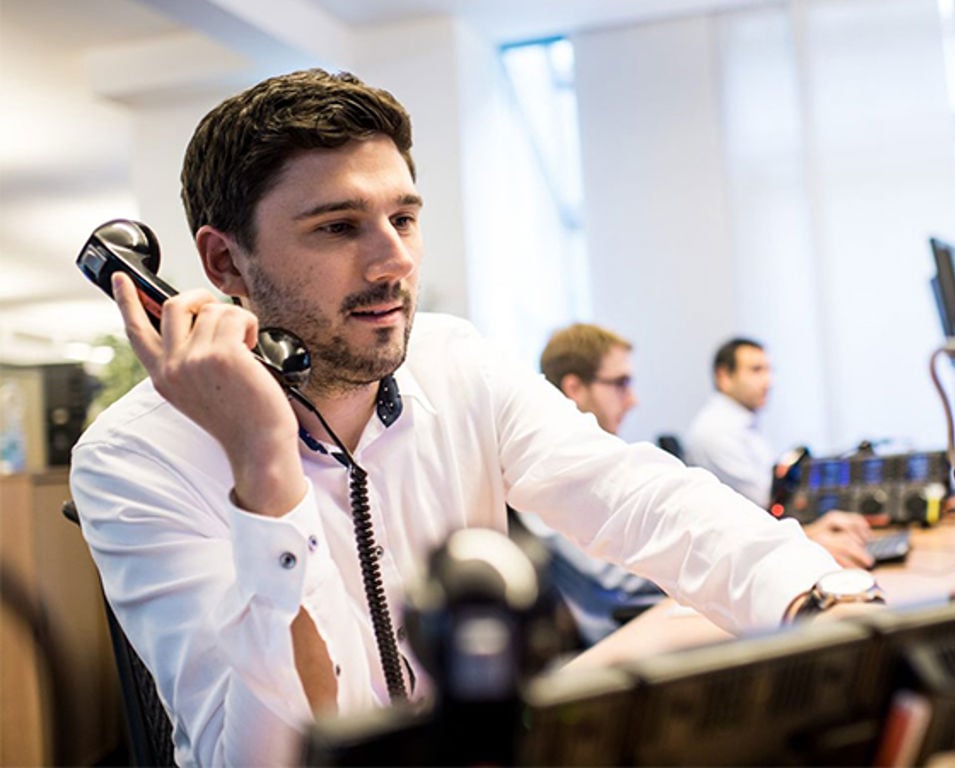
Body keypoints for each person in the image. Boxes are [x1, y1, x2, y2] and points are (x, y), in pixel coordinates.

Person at [68, 70, 856, 765]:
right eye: (338, 227)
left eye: (404, 219)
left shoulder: (453, 360)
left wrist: (820, 600)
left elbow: (640, 499)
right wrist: (264, 469)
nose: (395, 261)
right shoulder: (133, 459)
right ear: (224, 261)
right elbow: (263, 759)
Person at [515, 323, 665, 645]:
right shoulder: (543, 472)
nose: (633, 400)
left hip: (643, 625)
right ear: (574, 388)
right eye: (620, 383)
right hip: (616, 641)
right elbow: (615, 578)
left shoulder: (601, 463)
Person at [685, 338, 874, 568]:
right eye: (756, 370)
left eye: (769, 370)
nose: (768, 381)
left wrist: (816, 528)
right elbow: (764, 514)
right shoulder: (716, 433)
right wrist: (812, 534)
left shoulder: (741, 427)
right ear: (724, 376)